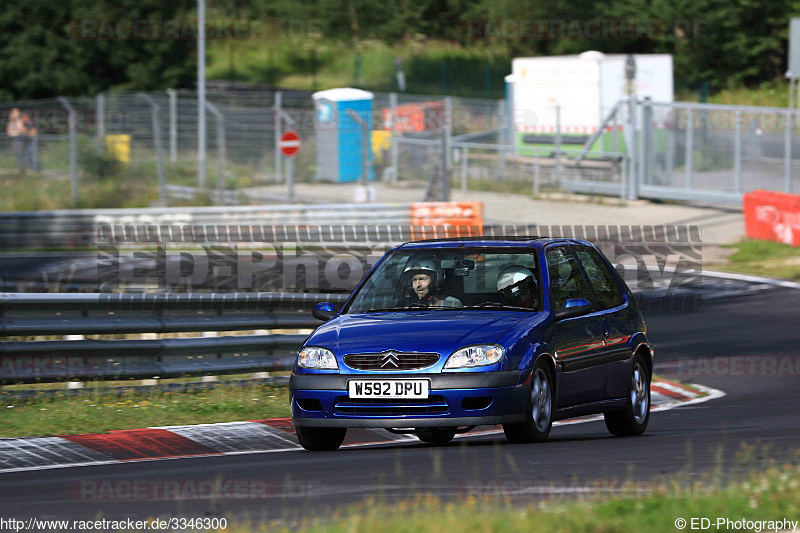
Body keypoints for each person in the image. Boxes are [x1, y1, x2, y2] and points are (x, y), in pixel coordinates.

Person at [6, 108, 26, 173]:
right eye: (13, 113)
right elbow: (9, 132)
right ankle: (19, 169)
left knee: (21, 156)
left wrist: (14, 132)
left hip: (20, 141)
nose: (14, 114)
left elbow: (21, 131)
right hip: (14, 141)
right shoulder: (11, 122)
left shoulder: (19, 121)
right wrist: (15, 132)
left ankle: (22, 170)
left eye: (16, 113)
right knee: (17, 156)